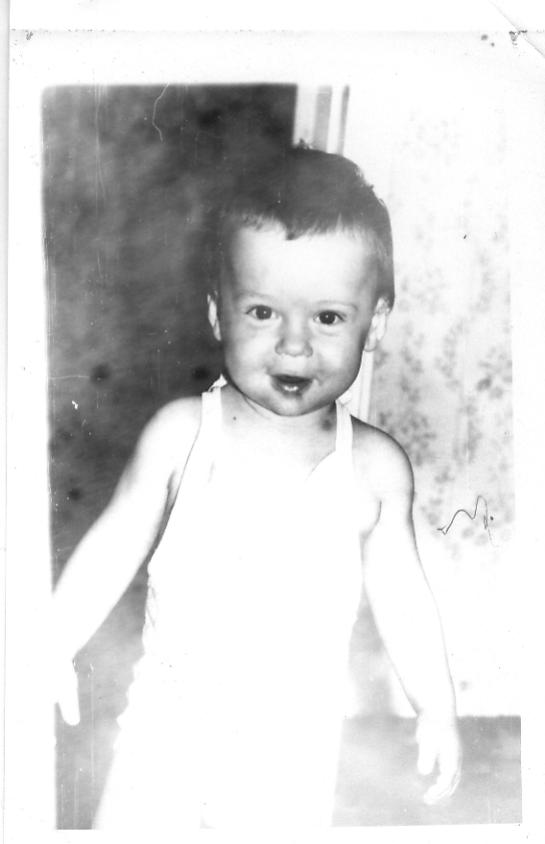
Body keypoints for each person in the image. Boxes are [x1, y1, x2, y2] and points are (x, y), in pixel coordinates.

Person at [53, 147, 462, 830]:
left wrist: (437, 705)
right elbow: (113, 543)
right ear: (219, 314)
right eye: (263, 312)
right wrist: (51, 641)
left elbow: (404, 598)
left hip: (290, 761)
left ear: (376, 322)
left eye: (327, 318)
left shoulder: (374, 468)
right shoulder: (183, 434)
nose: (293, 345)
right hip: (164, 742)